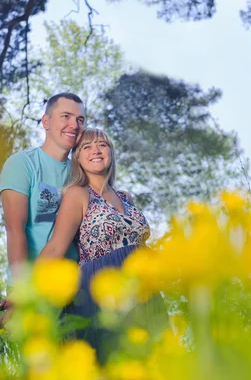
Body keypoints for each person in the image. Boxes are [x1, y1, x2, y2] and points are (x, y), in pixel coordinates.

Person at [37, 127, 167, 361]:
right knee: (112, 362)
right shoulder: (77, 194)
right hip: (99, 289)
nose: (95, 150)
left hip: (142, 290)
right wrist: (21, 294)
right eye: (86, 147)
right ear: (77, 159)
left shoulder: (125, 197)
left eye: (102, 145)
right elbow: (56, 246)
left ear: (111, 152)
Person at [0, 92, 86, 325]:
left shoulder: (81, 174)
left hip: (77, 289)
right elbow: (14, 230)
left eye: (80, 120)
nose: (74, 125)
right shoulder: (22, 164)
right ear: (46, 122)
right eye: (66, 116)